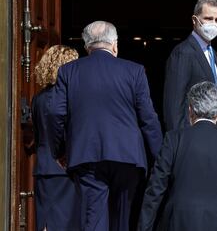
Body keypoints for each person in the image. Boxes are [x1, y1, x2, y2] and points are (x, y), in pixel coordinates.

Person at [51, 21, 163, 231]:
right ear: (114, 45)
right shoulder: (134, 71)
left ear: (86, 47)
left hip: (87, 156)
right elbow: (148, 118)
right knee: (122, 220)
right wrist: (160, 158)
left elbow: (56, 113)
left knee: (94, 220)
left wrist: (60, 150)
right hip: (127, 156)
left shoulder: (68, 71)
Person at [138, 81, 217, 231]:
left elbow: (155, 189)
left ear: (190, 110)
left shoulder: (173, 139)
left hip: (178, 223)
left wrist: (144, 227)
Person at [31, 45, 80, 231]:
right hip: (65, 169)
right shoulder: (67, 98)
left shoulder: (38, 98)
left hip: (43, 169)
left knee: (46, 223)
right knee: (67, 224)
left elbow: (38, 134)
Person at [163, 0, 217, 132]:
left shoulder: (213, 54)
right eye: (208, 19)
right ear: (194, 20)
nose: (213, 24)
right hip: (191, 137)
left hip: (213, 136)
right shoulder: (183, 53)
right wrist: (179, 142)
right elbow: (174, 104)